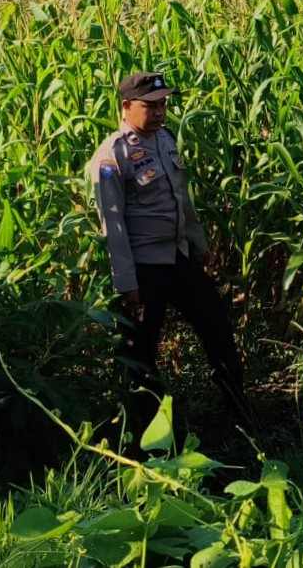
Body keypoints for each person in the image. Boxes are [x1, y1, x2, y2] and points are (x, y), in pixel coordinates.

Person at [87, 71, 250, 429]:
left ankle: (239, 414)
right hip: (145, 268)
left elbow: (181, 199)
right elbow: (113, 225)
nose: (160, 112)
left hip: (178, 257)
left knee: (217, 327)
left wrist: (199, 244)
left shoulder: (165, 140)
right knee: (141, 353)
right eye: (150, 106)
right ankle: (149, 433)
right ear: (126, 106)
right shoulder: (112, 156)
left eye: (163, 105)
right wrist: (126, 283)